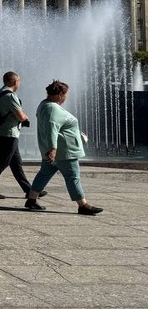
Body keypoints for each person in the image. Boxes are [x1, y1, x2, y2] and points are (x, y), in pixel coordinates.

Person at [25, 80, 103, 215]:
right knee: (73, 176)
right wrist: (53, 149)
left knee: (44, 173)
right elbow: (52, 128)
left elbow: (55, 127)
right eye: (66, 94)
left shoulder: (44, 105)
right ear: (60, 94)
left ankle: (31, 200)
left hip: (54, 150)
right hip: (64, 151)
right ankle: (83, 205)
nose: (66, 97)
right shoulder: (52, 108)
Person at [0, 71, 45, 200]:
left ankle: (29, 190)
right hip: (8, 134)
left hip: (1, 132)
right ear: (15, 82)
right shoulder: (10, 96)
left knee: (16, 164)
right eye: (19, 81)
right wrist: (26, 117)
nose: (19, 83)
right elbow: (21, 116)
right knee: (1, 163)